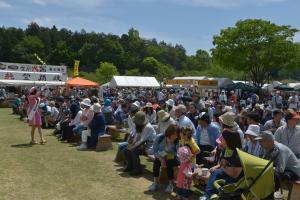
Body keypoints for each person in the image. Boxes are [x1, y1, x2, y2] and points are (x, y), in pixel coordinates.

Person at [199, 129, 243, 200]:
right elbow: (222, 163)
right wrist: (219, 167)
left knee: (218, 175)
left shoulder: (238, 154)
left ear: (228, 140)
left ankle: (209, 196)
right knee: (215, 172)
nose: (220, 140)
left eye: (222, 139)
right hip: (227, 172)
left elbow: (235, 175)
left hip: (234, 179)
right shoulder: (226, 150)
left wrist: (223, 167)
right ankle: (207, 195)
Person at [148, 125, 180, 193]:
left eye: (177, 135)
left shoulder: (177, 140)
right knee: (156, 162)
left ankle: (171, 184)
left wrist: (169, 156)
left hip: (173, 158)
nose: (175, 136)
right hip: (161, 156)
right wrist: (162, 159)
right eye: (174, 135)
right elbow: (155, 151)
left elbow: (178, 154)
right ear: (169, 133)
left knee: (169, 163)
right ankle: (155, 182)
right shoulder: (160, 137)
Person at [124, 111, 156, 176]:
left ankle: (137, 170)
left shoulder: (147, 127)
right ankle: (130, 166)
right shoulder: (140, 126)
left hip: (151, 147)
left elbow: (141, 140)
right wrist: (131, 144)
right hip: (144, 145)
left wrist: (132, 147)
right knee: (126, 150)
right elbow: (136, 136)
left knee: (134, 151)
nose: (135, 123)